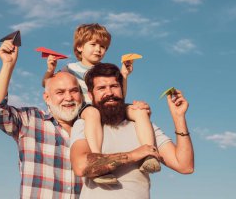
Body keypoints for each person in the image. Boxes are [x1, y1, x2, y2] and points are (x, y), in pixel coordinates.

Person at [42, 23, 161, 184]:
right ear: (79, 47)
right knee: (93, 113)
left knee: (139, 111)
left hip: (109, 106)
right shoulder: (70, 68)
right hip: (87, 108)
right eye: (93, 44)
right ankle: (97, 160)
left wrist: (124, 75)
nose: (99, 49)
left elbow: (120, 95)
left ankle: (149, 154)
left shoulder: (105, 70)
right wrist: (50, 70)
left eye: (103, 47)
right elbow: (48, 84)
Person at [70, 63, 194, 199]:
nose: (109, 93)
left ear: (122, 89)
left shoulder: (143, 126)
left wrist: (178, 117)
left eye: (114, 86)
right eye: (101, 88)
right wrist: (134, 155)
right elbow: (81, 166)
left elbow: (185, 166)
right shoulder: (84, 125)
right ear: (91, 95)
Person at [0, 38, 83, 198]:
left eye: (74, 91)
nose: (68, 97)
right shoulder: (30, 120)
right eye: (60, 92)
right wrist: (8, 65)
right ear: (47, 97)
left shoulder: (90, 129)